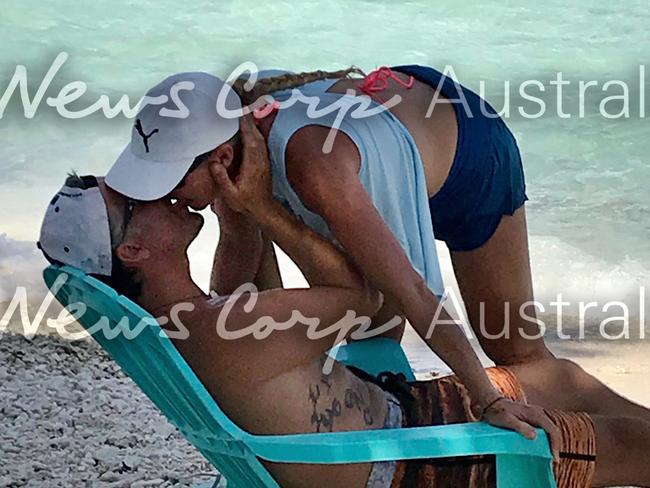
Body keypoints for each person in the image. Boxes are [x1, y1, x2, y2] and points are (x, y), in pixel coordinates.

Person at [38, 119, 650, 488]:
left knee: (553, 376)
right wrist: (263, 206)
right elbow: (365, 297)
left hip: (390, 421)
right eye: (136, 202)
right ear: (137, 249)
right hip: (406, 461)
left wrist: (236, 214)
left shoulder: (196, 325)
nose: (161, 192)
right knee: (624, 444)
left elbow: (250, 296)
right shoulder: (228, 328)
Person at [104, 66, 650, 426]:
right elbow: (245, 302)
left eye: (172, 179)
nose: (169, 196)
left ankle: (627, 434)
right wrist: (243, 217)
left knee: (514, 351)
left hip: (466, 150)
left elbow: (411, 288)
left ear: (220, 156)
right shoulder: (234, 160)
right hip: (391, 131)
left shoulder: (312, 168)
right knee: (372, 342)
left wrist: (487, 398)